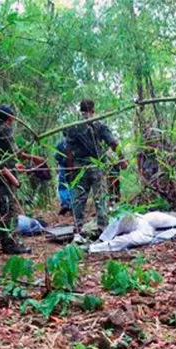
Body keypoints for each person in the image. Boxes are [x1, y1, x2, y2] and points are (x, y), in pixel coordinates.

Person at [65, 99, 119, 244]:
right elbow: (113, 143)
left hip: (79, 167)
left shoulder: (73, 127)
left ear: (81, 110)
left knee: (79, 199)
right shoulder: (99, 125)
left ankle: (78, 230)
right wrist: (121, 157)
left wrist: (71, 171)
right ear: (93, 109)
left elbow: (68, 151)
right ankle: (103, 231)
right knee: (100, 198)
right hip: (97, 166)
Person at [0, 105, 31, 254]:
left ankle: (6, 242)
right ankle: (12, 244)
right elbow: (14, 152)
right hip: (3, 176)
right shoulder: (5, 130)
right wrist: (31, 157)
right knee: (8, 209)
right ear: (10, 117)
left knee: (2, 208)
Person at [54, 139, 72, 215]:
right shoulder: (61, 144)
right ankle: (67, 204)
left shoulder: (74, 142)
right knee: (63, 185)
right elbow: (56, 156)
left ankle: (69, 204)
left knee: (70, 185)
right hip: (64, 166)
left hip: (71, 166)